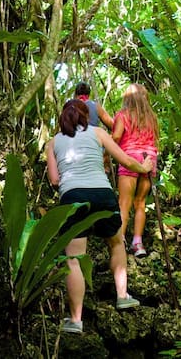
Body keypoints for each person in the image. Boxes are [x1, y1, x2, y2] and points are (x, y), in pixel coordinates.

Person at [46, 99, 155, 334]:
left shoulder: (53, 142)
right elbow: (124, 160)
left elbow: (54, 180)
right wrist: (145, 167)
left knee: (74, 259)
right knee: (116, 244)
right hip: (103, 194)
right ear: (86, 115)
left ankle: (76, 320)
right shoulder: (98, 132)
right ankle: (122, 295)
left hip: (73, 198)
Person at [111, 83, 161, 257]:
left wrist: (106, 154)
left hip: (130, 158)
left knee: (124, 203)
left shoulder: (123, 115)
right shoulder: (152, 117)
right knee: (140, 203)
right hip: (149, 158)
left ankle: (120, 241)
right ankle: (138, 243)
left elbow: (116, 136)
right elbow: (156, 140)